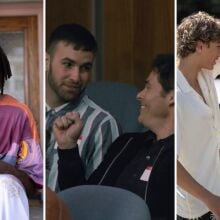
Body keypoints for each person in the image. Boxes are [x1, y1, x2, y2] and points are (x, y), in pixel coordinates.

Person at [53, 54, 174, 220]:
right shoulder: (127, 143)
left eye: (148, 87)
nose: (139, 95)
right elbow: (82, 199)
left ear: (172, 97)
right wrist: (68, 146)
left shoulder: (181, 155)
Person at [46, 23, 121, 191]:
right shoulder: (25, 113)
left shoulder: (102, 124)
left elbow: (100, 196)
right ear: (47, 61)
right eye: (67, 64)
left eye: (85, 68)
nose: (76, 77)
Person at [177, 11, 220, 220]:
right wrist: (210, 199)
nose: (219, 54)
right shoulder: (176, 95)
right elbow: (172, 164)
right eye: (218, 48)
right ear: (200, 46)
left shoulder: (206, 73)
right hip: (194, 208)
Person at [0, 46, 43, 219]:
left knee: (6, 184)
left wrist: (5, 169)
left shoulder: (18, 113)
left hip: (4, 193)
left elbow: (33, 183)